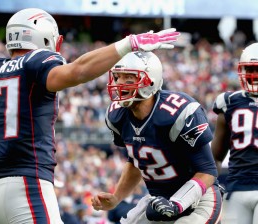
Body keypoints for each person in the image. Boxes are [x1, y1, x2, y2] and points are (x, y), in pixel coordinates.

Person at [0, 7, 180, 224]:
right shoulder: (35, 64)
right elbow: (77, 72)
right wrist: (127, 44)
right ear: (45, 39)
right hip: (27, 186)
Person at [91, 51, 222, 223]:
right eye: (118, 77)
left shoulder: (177, 112)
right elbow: (135, 162)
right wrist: (116, 198)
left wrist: (177, 204)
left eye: (129, 77)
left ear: (150, 81)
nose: (120, 83)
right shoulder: (118, 115)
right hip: (159, 202)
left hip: (199, 200)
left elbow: (208, 171)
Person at [211, 42, 258, 224]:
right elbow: (216, 156)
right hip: (237, 186)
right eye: (250, 69)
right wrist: (211, 189)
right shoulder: (229, 101)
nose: (254, 76)